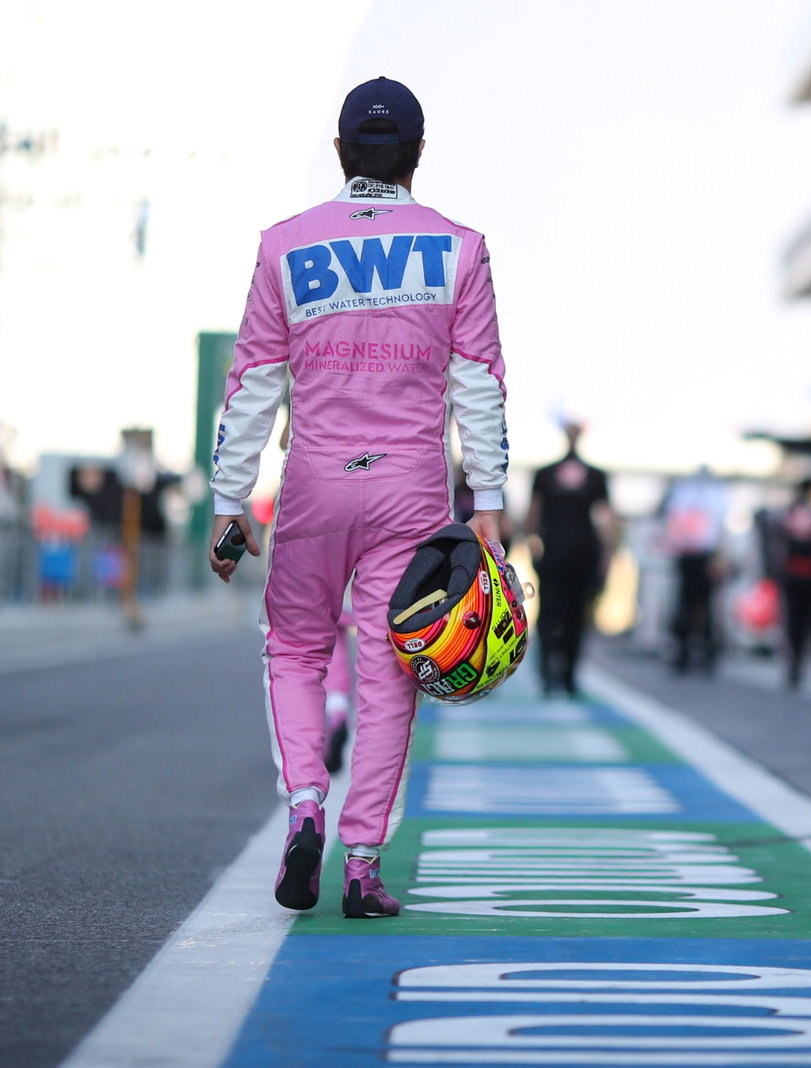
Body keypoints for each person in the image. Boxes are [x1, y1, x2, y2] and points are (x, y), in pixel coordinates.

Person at [208, 76, 508, 918]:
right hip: (410, 491)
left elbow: (253, 386)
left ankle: (306, 804)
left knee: (296, 649)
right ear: (417, 156)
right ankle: (363, 862)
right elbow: (479, 383)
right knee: (390, 674)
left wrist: (230, 504)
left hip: (311, 485)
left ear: (341, 153)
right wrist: (484, 500)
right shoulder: (460, 247)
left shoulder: (284, 246)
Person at [525, 420, 613, 696]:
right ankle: (557, 675)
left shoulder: (555, 473)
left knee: (564, 617)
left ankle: (561, 674)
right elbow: (533, 516)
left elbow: (606, 519)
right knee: (561, 616)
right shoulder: (582, 475)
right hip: (565, 553)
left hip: (570, 554)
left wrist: (607, 557)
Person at [661, 465, 729, 674]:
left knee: (701, 607)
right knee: (689, 606)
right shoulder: (687, 493)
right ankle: (688, 652)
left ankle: (702, 652)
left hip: (702, 555)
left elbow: (719, 528)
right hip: (690, 554)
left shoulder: (708, 494)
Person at [776, 478, 811, 689]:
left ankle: (796, 662)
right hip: (796, 575)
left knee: (800, 621)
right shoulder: (792, 516)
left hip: (806, 576)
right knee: (796, 621)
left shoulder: (802, 516)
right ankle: (794, 662)